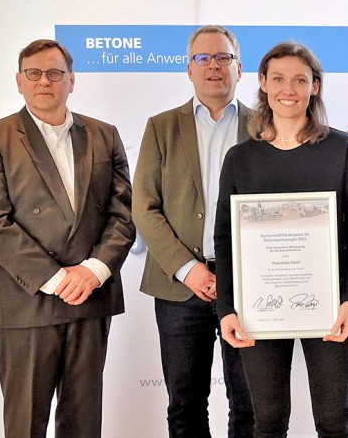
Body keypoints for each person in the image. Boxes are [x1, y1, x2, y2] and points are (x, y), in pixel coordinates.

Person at [0, 39, 135, 437]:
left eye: (55, 73)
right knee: (26, 423)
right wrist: (58, 278)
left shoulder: (104, 135)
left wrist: (94, 271)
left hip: (91, 296)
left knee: (83, 423)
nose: (45, 81)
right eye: (34, 73)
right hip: (27, 301)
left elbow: (124, 214)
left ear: (71, 81)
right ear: (19, 81)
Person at [214, 42, 348, 437]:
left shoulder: (341, 149)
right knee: (267, 421)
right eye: (279, 79)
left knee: (334, 421)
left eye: (300, 80)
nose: (289, 89)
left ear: (314, 87)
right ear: (263, 83)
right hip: (258, 307)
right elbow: (225, 239)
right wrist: (227, 308)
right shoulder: (240, 159)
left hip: (330, 306)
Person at [132, 25, 254, 437]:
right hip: (179, 289)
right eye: (203, 58)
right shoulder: (161, 127)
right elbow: (144, 207)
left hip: (248, 287)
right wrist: (188, 269)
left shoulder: (264, 127)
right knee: (184, 406)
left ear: (239, 68)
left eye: (223, 57)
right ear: (189, 69)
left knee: (250, 405)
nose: (213, 66)